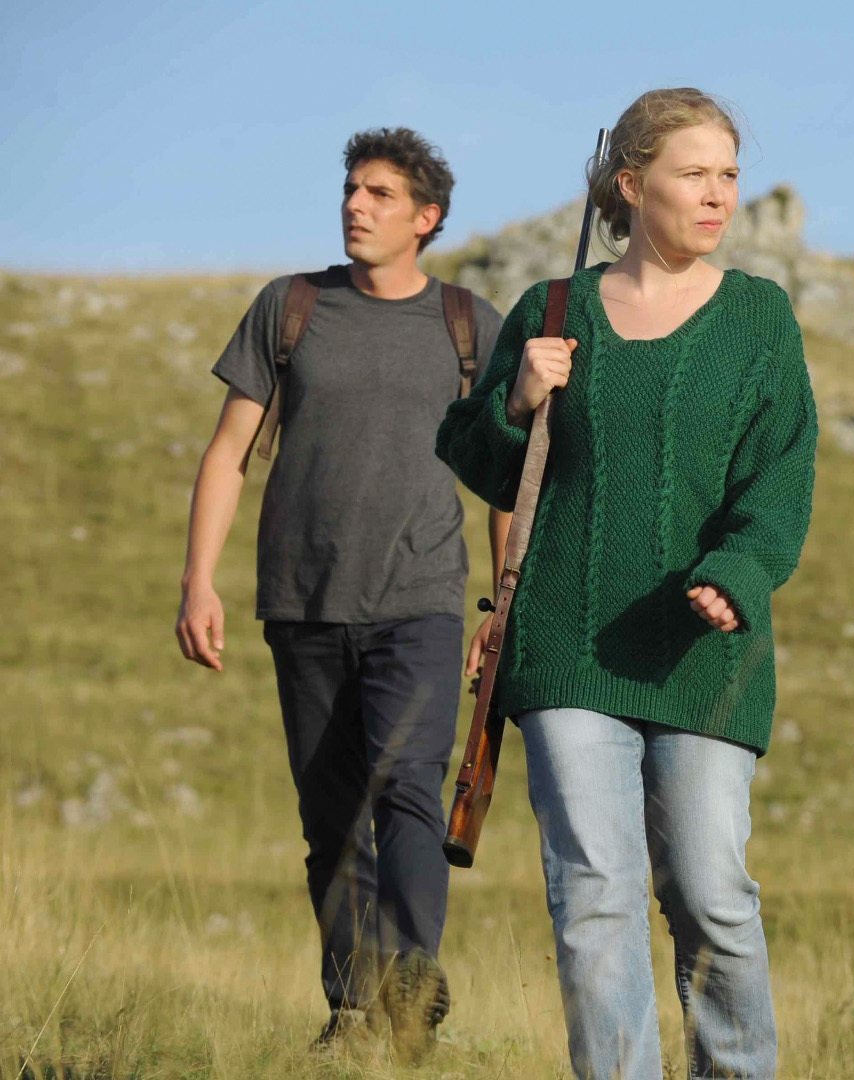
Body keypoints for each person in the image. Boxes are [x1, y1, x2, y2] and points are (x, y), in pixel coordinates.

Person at [436, 87, 816, 1080]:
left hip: (704, 654)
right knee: (594, 898)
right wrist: (518, 398)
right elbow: (476, 456)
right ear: (632, 184)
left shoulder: (760, 319)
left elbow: (781, 481)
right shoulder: (552, 312)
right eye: (695, 174)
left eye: (729, 174)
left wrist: (739, 572)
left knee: (710, 894)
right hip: (565, 647)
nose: (719, 194)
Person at [175, 127, 503, 1062]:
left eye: (380, 194)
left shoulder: (468, 325)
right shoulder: (291, 308)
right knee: (331, 818)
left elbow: (505, 479)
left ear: (426, 218)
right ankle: (353, 1008)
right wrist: (198, 580)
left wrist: (502, 608)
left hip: (422, 601)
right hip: (302, 599)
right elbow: (229, 452)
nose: (356, 205)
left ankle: (410, 985)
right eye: (352, 189)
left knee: (409, 789)